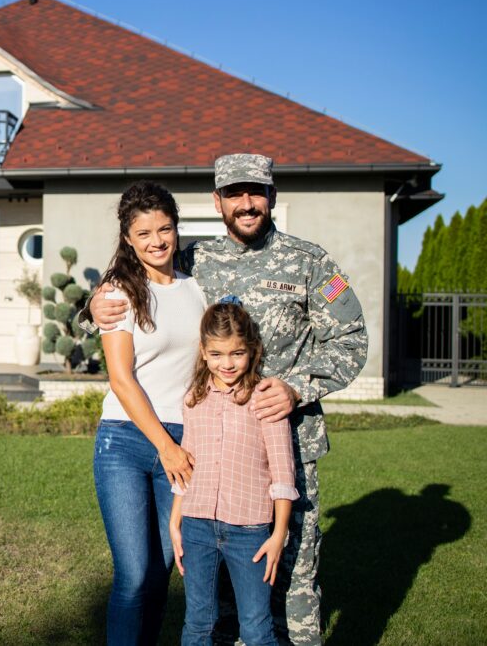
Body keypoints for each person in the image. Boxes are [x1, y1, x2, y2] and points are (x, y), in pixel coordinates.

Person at [85, 153, 368, 645]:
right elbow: (133, 284)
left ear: (272, 196)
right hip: (215, 447)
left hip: (288, 443)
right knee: (215, 582)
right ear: (217, 202)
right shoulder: (197, 260)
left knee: (294, 574)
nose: (246, 203)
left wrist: (297, 386)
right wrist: (90, 308)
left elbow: (354, 339)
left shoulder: (312, 263)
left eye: (255, 192)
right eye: (234, 194)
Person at [93, 180, 207, 645]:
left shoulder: (197, 287)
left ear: (177, 229)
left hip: (182, 439)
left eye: (165, 229)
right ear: (127, 238)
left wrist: (180, 446)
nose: (156, 241)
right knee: (134, 574)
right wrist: (166, 448)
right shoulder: (118, 293)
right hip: (126, 441)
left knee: (162, 571)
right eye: (144, 233)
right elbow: (121, 379)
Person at [170, 302, 299, 646]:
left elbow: (283, 475)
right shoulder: (194, 399)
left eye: (237, 353)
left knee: (256, 629)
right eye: (217, 354)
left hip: (250, 533)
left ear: (251, 350)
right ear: (203, 352)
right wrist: (175, 520)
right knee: (199, 622)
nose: (227, 363)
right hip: (197, 526)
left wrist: (278, 535)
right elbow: (186, 466)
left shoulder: (265, 399)